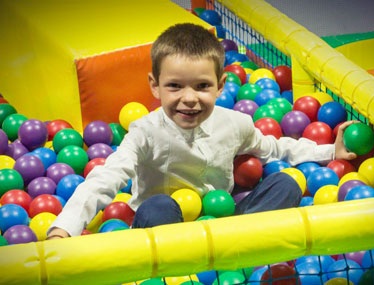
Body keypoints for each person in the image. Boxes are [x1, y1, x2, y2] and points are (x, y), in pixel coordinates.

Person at [47, 23, 357, 239]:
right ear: (155, 87)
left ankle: (240, 243)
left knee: (286, 185)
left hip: (224, 218)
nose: (190, 98)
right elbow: (105, 178)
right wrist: (64, 227)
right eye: (174, 86)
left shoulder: (235, 123)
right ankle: (189, 261)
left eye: (202, 86)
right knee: (159, 206)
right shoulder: (144, 131)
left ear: (221, 87)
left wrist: (331, 152)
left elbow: (275, 148)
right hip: (163, 226)